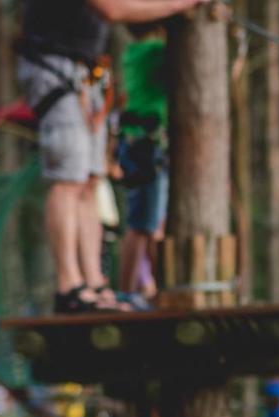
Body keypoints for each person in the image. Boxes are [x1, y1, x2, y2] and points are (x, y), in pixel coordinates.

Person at [17, 0, 201, 314]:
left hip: (82, 70)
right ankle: (68, 285)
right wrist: (179, 4)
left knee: (90, 181)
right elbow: (113, 8)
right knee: (68, 180)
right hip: (56, 65)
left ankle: (93, 284)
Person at [112, 25, 170, 302]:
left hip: (139, 143)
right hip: (147, 145)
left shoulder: (134, 51)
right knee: (143, 225)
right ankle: (127, 293)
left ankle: (149, 289)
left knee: (150, 224)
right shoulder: (155, 52)